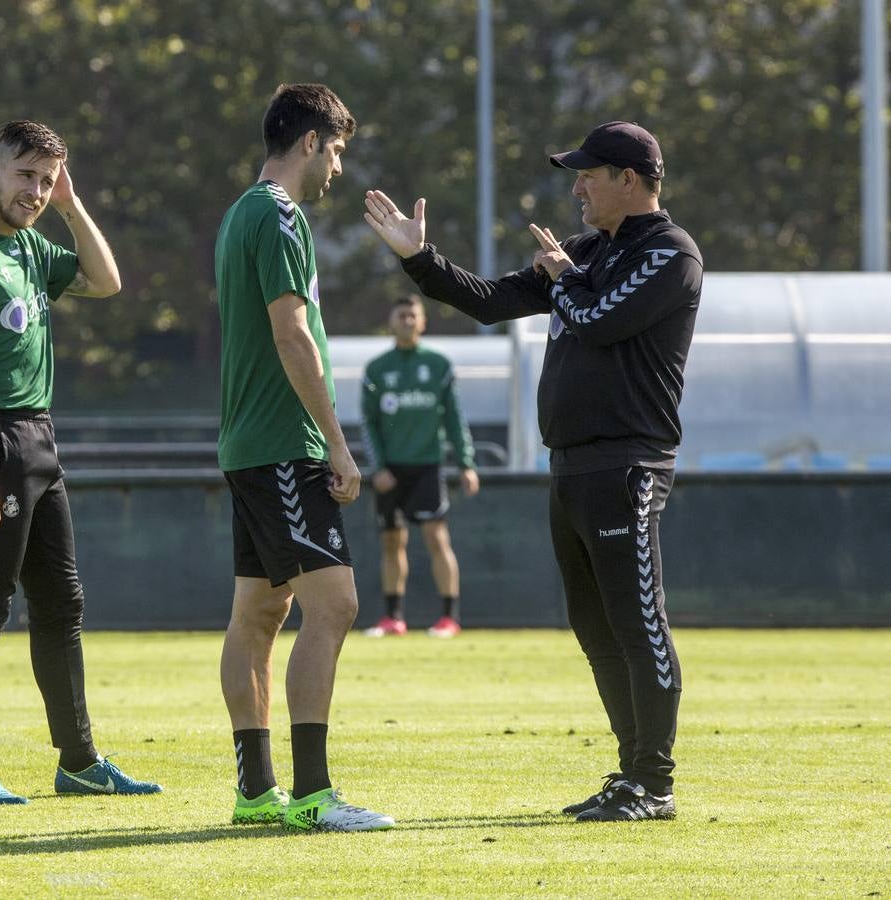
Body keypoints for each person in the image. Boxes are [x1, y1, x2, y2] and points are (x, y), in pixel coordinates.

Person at [364, 121, 702, 822]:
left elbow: (600, 318)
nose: (576, 188)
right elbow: (491, 303)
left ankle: (655, 783)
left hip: (627, 465)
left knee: (639, 624)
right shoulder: (580, 253)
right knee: (595, 628)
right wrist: (420, 259)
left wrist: (565, 280)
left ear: (629, 181)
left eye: (588, 175)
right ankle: (629, 775)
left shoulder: (671, 253)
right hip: (571, 466)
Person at [0, 120, 161, 804]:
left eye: (47, 179)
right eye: (25, 175)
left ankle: (80, 762)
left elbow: (106, 280)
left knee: (62, 602)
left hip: (38, 438)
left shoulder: (30, 243)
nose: (36, 190)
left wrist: (70, 205)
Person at [216, 83, 393, 832]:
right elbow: (292, 335)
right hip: (287, 444)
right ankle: (315, 795)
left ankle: (257, 792)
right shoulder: (280, 214)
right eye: (339, 151)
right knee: (338, 604)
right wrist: (338, 443)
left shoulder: (239, 212)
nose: (341, 169)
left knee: (260, 612)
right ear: (312, 142)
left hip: (250, 444)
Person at [360, 294, 480, 639]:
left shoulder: (439, 365)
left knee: (436, 538)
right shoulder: (377, 369)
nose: (408, 321)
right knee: (392, 542)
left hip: (428, 466)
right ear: (391, 321)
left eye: (413, 316)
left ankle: (448, 617)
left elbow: (455, 419)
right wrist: (377, 467)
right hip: (390, 471)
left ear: (423, 321)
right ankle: (393, 618)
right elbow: (368, 423)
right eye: (401, 316)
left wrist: (466, 464)